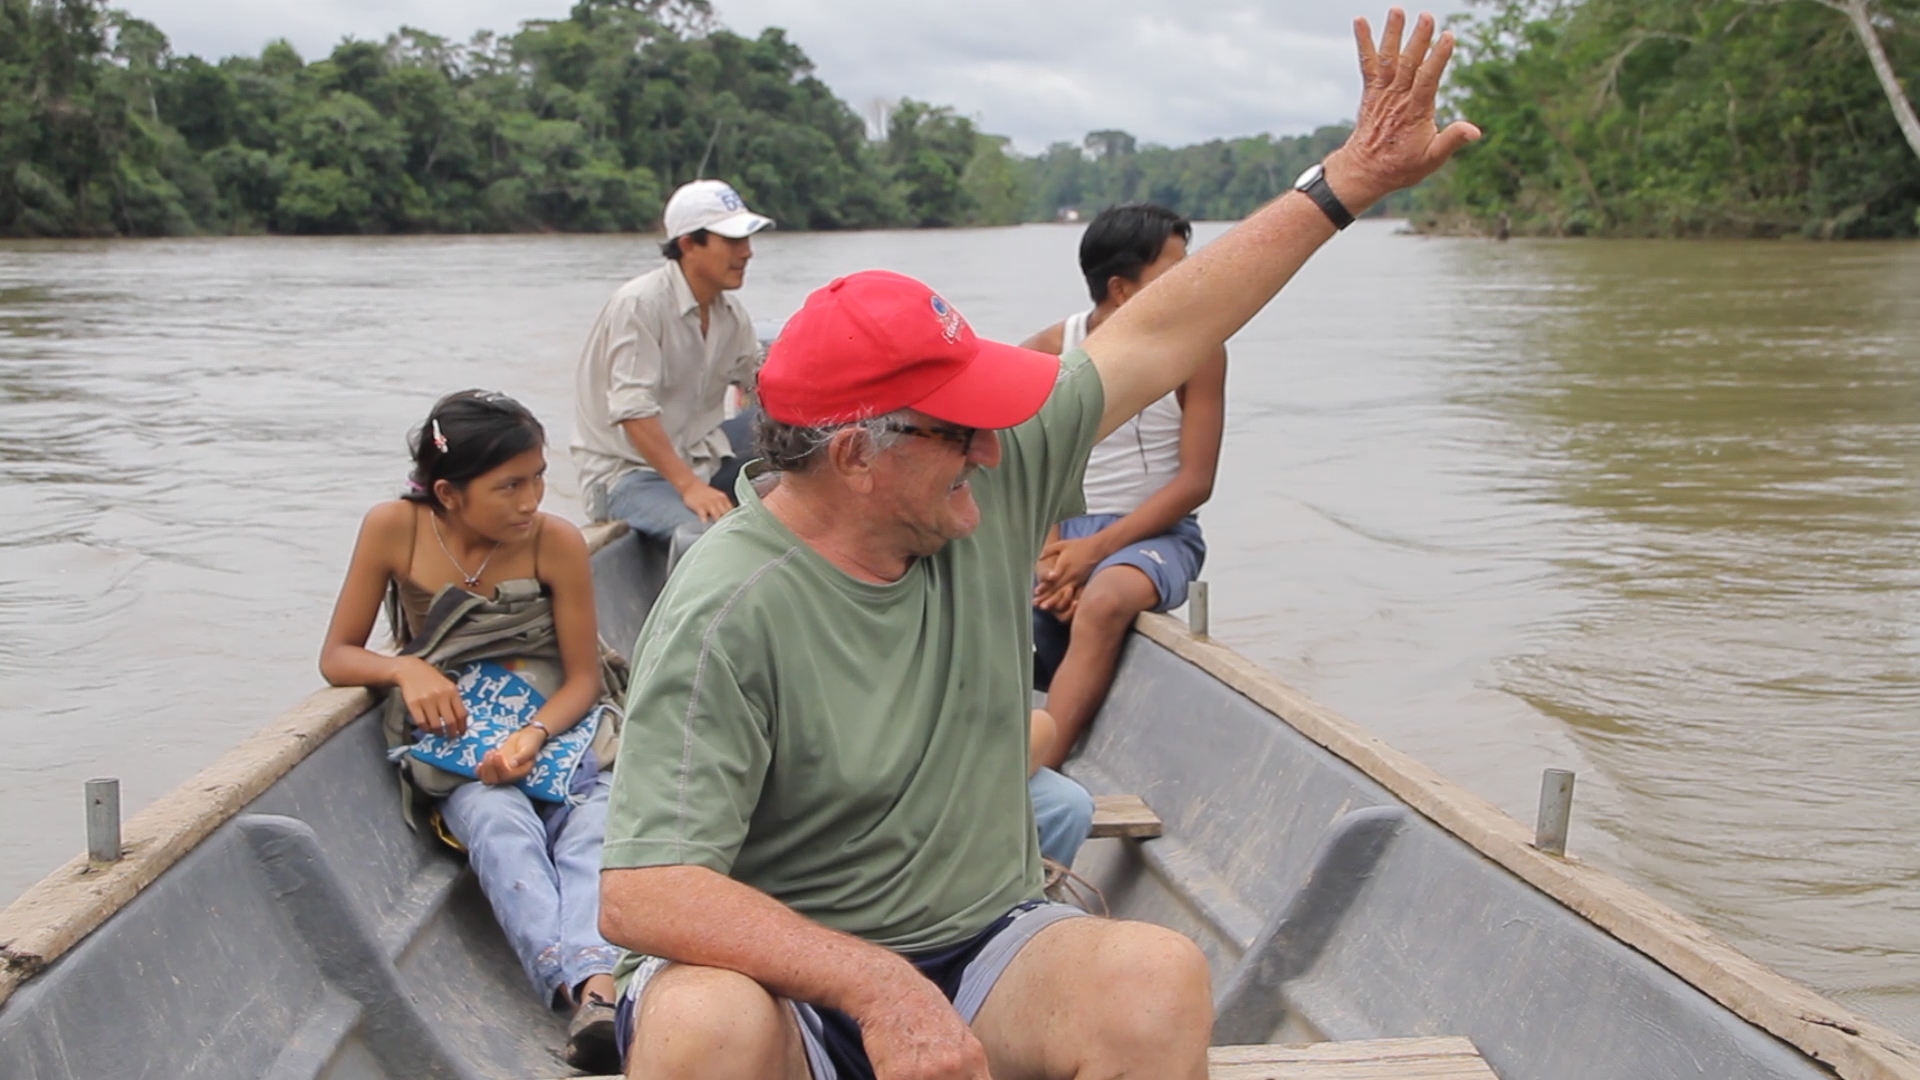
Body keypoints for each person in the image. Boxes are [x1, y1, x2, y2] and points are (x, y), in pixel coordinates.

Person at [598, 12, 1478, 1079]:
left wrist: (1345, 184)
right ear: (858, 457)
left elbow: (1165, 328)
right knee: (699, 1029)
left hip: (983, 945)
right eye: (960, 428)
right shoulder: (727, 605)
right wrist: (872, 984)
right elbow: (643, 889)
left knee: (1156, 979)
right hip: (799, 985)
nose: (992, 448)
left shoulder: (983, 481)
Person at [319, 390, 625, 1072]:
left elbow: (583, 679)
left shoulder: (556, 541)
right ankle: (574, 983)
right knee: (497, 823)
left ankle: (599, 993)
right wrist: (406, 672)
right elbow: (338, 656)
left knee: (590, 827)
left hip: (558, 727)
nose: (531, 499)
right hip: (460, 743)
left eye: (539, 477)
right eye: (510, 485)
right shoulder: (393, 528)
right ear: (448, 494)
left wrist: (533, 737)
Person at [1024, 203, 1226, 769]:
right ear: (1123, 289)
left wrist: (1094, 553)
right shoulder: (1046, 353)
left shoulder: (1200, 352)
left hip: (1157, 534)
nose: (1195, 279)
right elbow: (1023, 466)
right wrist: (1051, 556)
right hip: (1058, 533)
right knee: (979, 594)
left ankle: (1035, 778)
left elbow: (1195, 482)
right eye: (1176, 268)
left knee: (1107, 597)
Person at [571, 179, 773, 548]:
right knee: (709, 540)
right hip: (628, 473)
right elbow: (634, 411)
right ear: (688, 246)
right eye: (732, 242)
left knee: (790, 437)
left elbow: (763, 384)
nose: (747, 253)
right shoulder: (640, 305)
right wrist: (690, 488)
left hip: (703, 454)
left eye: (747, 241)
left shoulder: (731, 315)